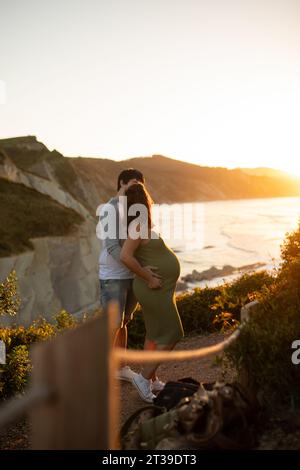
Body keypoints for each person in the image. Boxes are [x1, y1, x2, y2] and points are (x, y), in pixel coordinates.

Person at [120, 182, 184, 402]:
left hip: (158, 288)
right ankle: (143, 377)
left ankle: (152, 378)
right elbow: (126, 256)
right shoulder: (138, 225)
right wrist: (148, 276)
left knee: (154, 334)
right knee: (174, 332)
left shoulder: (140, 225)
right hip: (153, 287)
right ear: (144, 202)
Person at [98, 169, 162, 383]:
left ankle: (121, 367)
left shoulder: (135, 208)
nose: (138, 187)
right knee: (112, 325)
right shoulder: (110, 209)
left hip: (131, 274)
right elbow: (113, 248)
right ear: (122, 183)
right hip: (113, 274)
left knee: (124, 322)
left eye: (141, 184)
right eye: (134, 182)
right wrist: (141, 270)